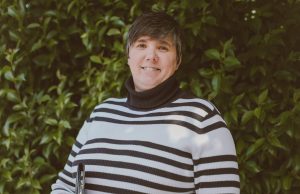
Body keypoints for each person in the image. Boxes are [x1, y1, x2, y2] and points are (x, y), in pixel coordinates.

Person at [51, 11, 240, 194]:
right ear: (128, 55)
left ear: (178, 61)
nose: (151, 56)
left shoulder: (202, 119)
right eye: (142, 45)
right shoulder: (101, 113)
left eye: (163, 47)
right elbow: (65, 186)